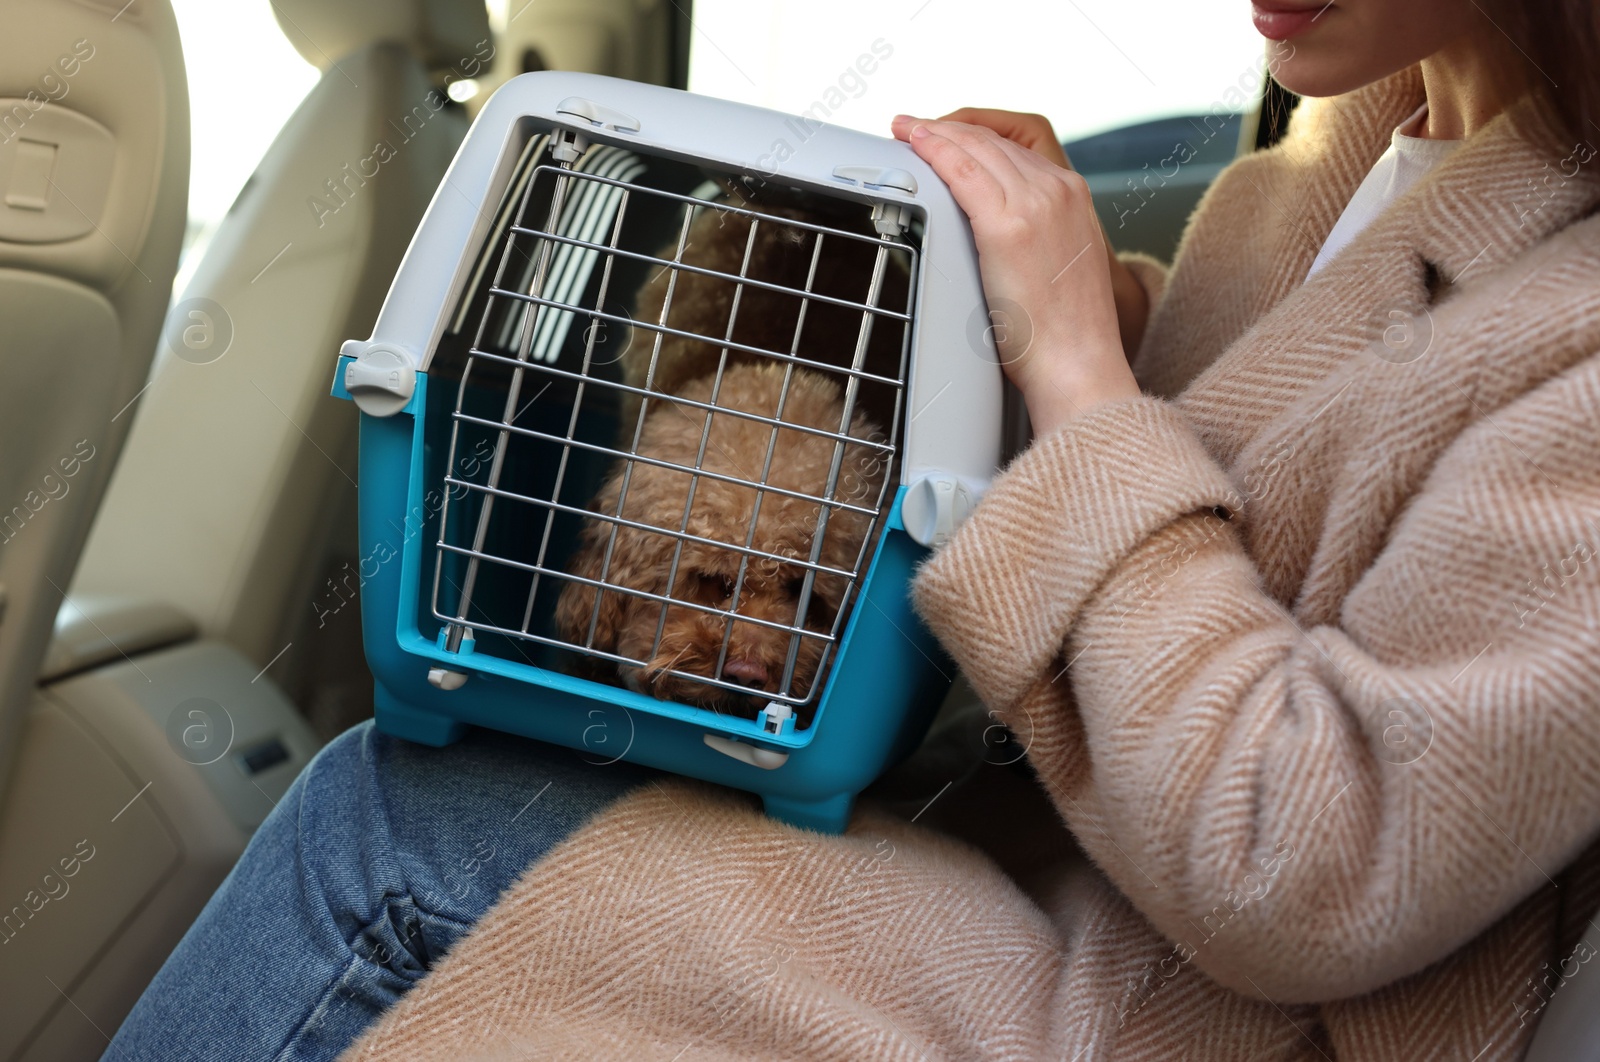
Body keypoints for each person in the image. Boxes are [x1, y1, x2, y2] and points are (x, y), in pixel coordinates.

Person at [107, 0, 1600, 1058]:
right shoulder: (1308, 180)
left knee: (380, 823)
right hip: (1033, 863)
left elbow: (1316, 870)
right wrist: (1033, 302)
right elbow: (1225, 484)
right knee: (437, 775)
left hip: (1166, 1006)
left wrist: (1078, 356)